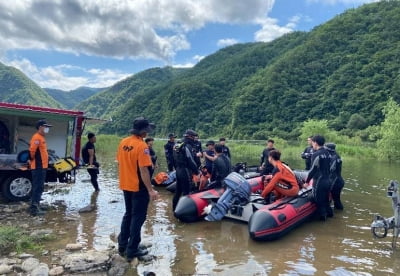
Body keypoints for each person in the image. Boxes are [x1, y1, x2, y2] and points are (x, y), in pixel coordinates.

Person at [116, 117, 159, 261]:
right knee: (138, 217)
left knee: (128, 214)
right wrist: (150, 190)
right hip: (138, 186)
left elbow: (119, 163)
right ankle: (132, 249)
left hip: (125, 184)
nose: (148, 132)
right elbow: (144, 171)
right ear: (144, 131)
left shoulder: (123, 142)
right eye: (147, 130)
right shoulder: (142, 146)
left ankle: (122, 245)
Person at [305, 135, 333, 221]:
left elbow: (313, 170)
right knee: (326, 200)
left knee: (319, 201)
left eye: (312, 142)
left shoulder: (316, 154)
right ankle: (331, 216)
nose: (312, 144)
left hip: (319, 181)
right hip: (328, 180)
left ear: (316, 143)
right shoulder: (328, 153)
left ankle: (323, 221)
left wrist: (307, 182)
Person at [28, 119, 52, 216]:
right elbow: (32, 152)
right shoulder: (37, 137)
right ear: (40, 127)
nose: (47, 129)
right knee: (37, 187)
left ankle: (37, 204)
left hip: (42, 166)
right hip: (38, 166)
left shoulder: (41, 137)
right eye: (46, 127)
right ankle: (34, 209)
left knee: (40, 187)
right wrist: (32, 160)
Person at [172, 129, 200, 211]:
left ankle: (174, 209)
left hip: (178, 169)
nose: (194, 139)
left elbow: (173, 158)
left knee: (178, 191)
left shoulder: (177, 144)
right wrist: (197, 172)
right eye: (194, 137)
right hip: (185, 170)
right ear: (190, 137)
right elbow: (190, 160)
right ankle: (183, 212)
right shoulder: (187, 146)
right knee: (186, 192)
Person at [325, 143, 345, 210]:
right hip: (338, 180)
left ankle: (340, 211)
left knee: (336, 200)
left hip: (336, 182)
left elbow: (331, 170)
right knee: (336, 199)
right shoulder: (336, 155)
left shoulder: (334, 157)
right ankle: (339, 213)